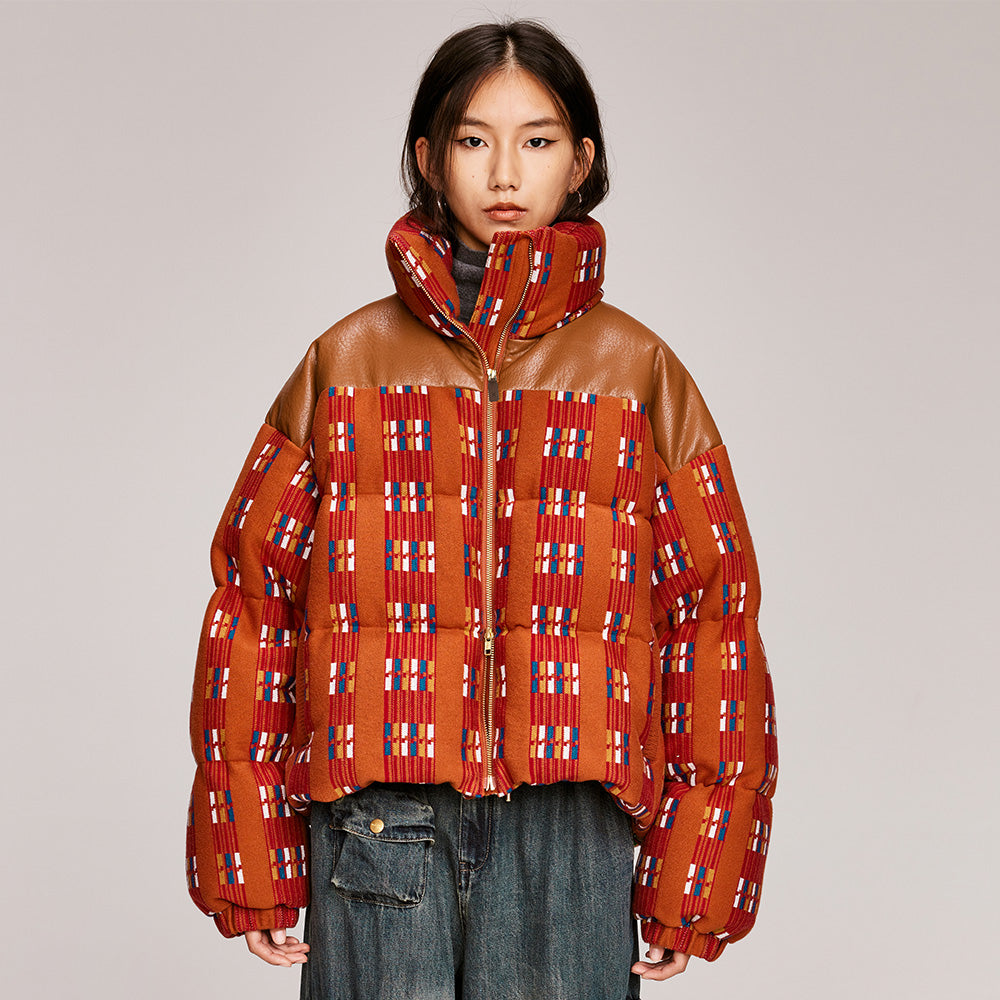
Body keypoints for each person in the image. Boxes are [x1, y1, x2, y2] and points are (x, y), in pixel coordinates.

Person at [186, 18, 777, 999]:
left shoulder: (637, 373)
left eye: (537, 140)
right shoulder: (345, 363)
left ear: (579, 162)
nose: (505, 171)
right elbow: (255, 607)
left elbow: (712, 624)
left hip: (572, 829)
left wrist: (692, 880)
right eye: (473, 139)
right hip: (377, 814)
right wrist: (252, 860)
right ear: (428, 158)